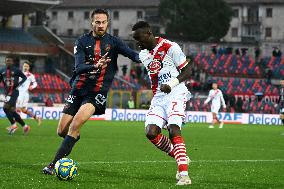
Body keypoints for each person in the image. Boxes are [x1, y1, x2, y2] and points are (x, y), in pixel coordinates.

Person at [42, 8, 140, 174]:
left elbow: (133, 55)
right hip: (78, 89)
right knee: (61, 131)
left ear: (108, 23)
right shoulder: (81, 41)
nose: (100, 25)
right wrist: (95, 65)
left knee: (74, 125)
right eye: (97, 22)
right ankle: (74, 136)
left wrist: (152, 56)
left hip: (97, 93)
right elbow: (79, 67)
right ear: (92, 23)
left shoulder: (114, 42)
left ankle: (53, 165)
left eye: (103, 22)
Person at [132, 21, 192, 185]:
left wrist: (171, 84)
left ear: (149, 33)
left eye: (139, 39)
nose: (138, 43)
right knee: (151, 132)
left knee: (173, 130)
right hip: (159, 97)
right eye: (135, 40)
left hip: (176, 93)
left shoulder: (170, 46)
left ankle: (184, 175)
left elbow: (188, 70)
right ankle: (180, 157)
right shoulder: (144, 54)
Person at [0, 55, 30, 134]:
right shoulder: (2, 70)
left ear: (12, 62)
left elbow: (24, 77)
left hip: (14, 92)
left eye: (10, 61)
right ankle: (25, 126)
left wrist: (19, 84)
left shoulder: (16, 70)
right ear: (5, 62)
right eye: (7, 61)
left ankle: (13, 125)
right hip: (7, 93)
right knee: (12, 111)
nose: (8, 62)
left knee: (5, 108)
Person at [16, 61, 42, 125]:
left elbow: (35, 83)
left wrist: (32, 86)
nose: (25, 67)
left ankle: (14, 126)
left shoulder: (30, 75)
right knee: (24, 110)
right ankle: (37, 117)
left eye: (27, 66)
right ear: (22, 66)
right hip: (20, 93)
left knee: (17, 109)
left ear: (29, 68)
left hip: (24, 94)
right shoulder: (19, 73)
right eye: (24, 66)